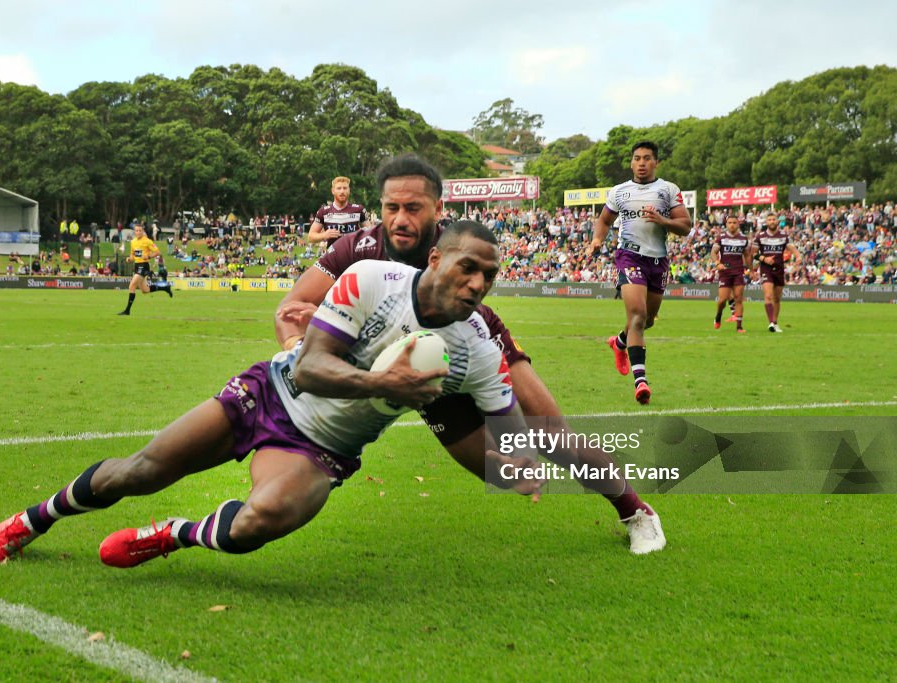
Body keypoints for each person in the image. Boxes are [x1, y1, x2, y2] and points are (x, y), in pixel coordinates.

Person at [0, 222, 542, 567]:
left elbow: (508, 432)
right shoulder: (371, 279)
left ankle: (172, 535)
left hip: (321, 450)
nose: (476, 284)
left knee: (254, 527)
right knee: (139, 472)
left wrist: (515, 466)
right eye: (468, 268)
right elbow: (314, 368)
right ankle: (29, 522)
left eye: (487, 277)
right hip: (268, 394)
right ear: (437, 258)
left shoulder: (477, 350)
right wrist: (383, 384)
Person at [278, 153, 665, 554]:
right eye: (392, 207)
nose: (401, 219)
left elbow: (482, 279)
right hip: (407, 367)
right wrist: (298, 343)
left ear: (438, 210)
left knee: (552, 437)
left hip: (471, 346)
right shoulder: (356, 248)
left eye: (414, 208)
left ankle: (636, 512)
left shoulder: (455, 240)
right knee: (495, 472)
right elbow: (289, 310)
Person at [586, 141, 692, 405]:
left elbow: (685, 226)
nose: (642, 163)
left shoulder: (668, 190)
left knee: (648, 321)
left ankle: (620, 342)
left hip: (658, 261)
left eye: (647, 158)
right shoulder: (619, 192)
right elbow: (604, 220)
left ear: (656, 162)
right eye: (637, 158)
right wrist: (597, 239)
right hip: (629, 256)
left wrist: (664, 221)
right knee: (637, 314)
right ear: (631, 163)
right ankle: (640, 381)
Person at [752, 212, 801, 332]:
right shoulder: (760, 236)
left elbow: (791, 247)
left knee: (777, 299)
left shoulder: (783, 235)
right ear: (766, 222)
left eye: (774, 219)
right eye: (769, 220)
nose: (772, 221)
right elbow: (753, 254)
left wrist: (798, 256)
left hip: (779, 269)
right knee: (768, 295)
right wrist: (764, 259)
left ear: (777, 221)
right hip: (766, 269)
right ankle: (771, 323)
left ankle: (775, 322)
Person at [117, 223, 172, 315]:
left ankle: (127, 311)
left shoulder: (147, 241)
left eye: (140, 230)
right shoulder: (133, 242)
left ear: (143, 231)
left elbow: (158, 252)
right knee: (145, 290)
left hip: (144, 265)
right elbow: (133, 255)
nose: (138, 232)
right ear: (134, 231)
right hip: (137, 266)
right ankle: (165, 288)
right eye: (136, 230)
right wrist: (129, 259)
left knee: (132, 286)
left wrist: (149, 256)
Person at [710, 215, 751, 333]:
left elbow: (747, 255)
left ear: (738, 224)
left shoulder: (743, 239)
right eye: (729, 222)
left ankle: (739, 326)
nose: (732, 224)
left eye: (734, 222)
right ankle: (718, 315)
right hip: (725, 272)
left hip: (738, 271)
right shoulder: (721, 237)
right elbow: (713, 252)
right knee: (722, 300)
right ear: (726, 224)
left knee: (738, 298)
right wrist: (717, 262)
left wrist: (751, 269)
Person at [307, 176, 370, 247]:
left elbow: (370, 233)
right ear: (333, 191)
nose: (342, 191)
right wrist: (324, 235)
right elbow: (310, 237)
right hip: (333, 256)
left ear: (349, 190)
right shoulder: (323, 212)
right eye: (339, 188)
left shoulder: (359, 209)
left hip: (354, 256)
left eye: (345, 188)